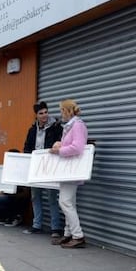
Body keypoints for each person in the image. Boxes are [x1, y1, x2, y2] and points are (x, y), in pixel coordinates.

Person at [22, 101, 65, 238]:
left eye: (46, 112)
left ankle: (56, 228)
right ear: (36, 115)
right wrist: (29, 157)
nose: (44, 115)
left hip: (50, 165)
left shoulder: (57, 127)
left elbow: (61, 144)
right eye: (41, 113)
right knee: (35, 196)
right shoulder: (32, 130)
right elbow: (27, 147)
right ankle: (37, 225)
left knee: (52, 196)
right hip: (36, 166)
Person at [50, 99, 88, 248]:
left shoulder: (77, 125)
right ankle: (68, 234)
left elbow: (78, 148)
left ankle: (78, 236)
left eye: (61, 111)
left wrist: (59, 150)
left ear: (67, 111)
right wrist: (59, 145)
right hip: (68, 170)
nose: (61, 114)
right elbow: (70, 145)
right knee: (69, 202)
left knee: (64, 202)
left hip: (73, 170)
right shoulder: (71, 126)